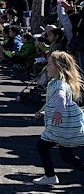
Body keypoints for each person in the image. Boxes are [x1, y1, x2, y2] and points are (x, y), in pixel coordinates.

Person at [32, 52, 84, 186]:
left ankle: (50, 176)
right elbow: (53, 102)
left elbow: (61, 98)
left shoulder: (59, 84)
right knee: (67, 156)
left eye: (49, 64)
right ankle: (50, 176)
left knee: (41, 146)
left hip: (59, 127)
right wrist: (43, 112)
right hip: (64, 127)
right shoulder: (58, 83)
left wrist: (58, 112)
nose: (46, 67)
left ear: (59, 67)